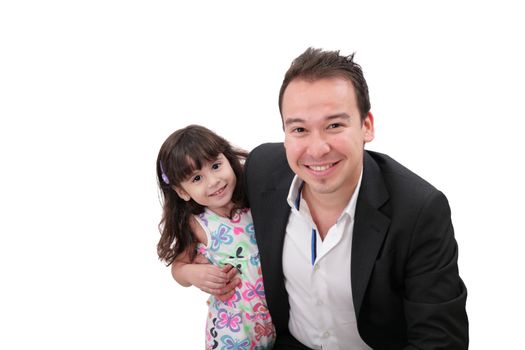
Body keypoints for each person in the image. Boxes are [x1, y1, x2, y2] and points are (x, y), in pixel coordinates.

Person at [175, 47, 468, 349]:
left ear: (366, 126)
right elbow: (202, 204)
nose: (317, 150)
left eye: (334, 125)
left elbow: (440, 341)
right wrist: (193, 272)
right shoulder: (262, 171)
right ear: (285, 133)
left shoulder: (420, 210)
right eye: (300, 129)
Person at [156, 125, 276, 350]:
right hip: (232, 330)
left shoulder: (252, 199)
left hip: (277, 321)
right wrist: (193, 273)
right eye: (197, 178)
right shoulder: (198, 224)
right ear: (182, 191)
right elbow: (178, 267)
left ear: (229, 160)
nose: (213, 182)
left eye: (216, 166)